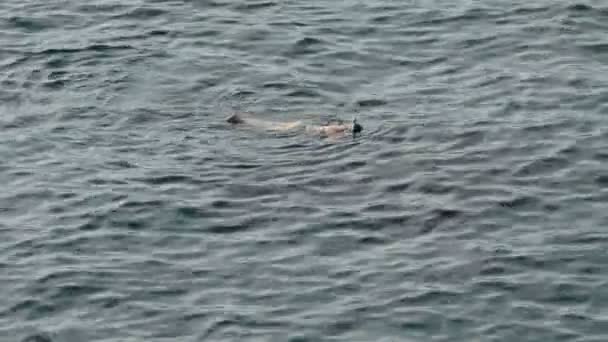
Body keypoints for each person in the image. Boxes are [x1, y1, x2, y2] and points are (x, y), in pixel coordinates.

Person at [226, 112, 363, 137]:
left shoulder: (339, 127)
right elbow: (329, 140)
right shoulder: (339, 130)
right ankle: (240, 121)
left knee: (272, 125)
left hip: (303, 126)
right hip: (302, 129)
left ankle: (241, 120)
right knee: (271, 127)